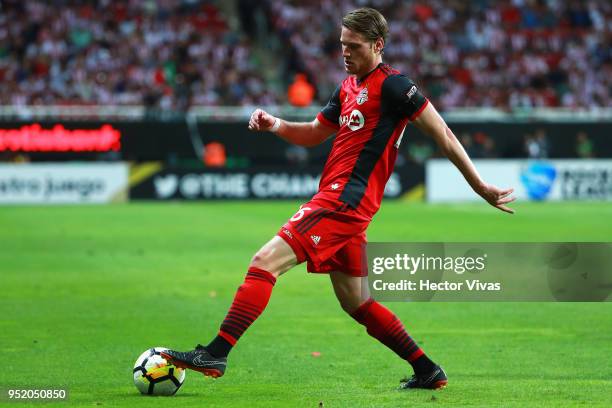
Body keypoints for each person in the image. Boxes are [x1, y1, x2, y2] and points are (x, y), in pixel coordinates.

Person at [161, 7, 515, 390]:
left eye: (353, 46)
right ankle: (427, 370)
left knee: (264, 262)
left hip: (343, 202)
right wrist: (275, 124)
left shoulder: (396, 87)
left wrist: (480, 186)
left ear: (378, 45)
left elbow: (443, 134)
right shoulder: (346, 87)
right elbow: (314, 132)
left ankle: (216, 351)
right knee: (357, 302)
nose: (344, 53)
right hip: (342, 202)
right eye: (341, 45)